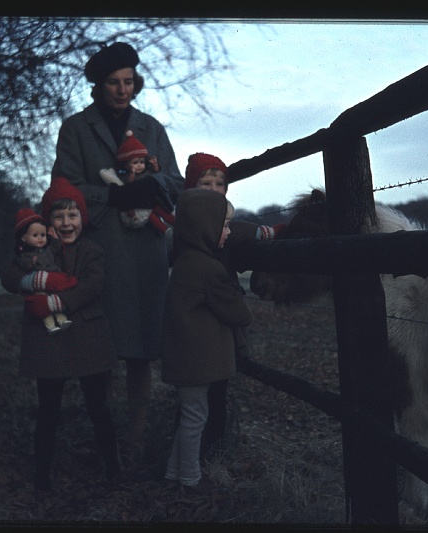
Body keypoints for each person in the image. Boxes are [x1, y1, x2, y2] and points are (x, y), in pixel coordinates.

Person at [52, 41, 185, 467]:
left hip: (147, 253)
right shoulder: (76, 129)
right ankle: (105, 445)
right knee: (101, 350)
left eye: (129, 81)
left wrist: (152, 187)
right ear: (97, 85)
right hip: (101, 252)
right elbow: (64, 186)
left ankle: (136, 441)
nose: (123, 89)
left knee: (142, 350)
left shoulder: (152, 127)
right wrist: (111, 195)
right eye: (113, 82)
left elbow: (176, 181)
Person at [1, 177, 121, 491]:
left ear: (82, 217)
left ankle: (114, 469)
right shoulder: (33, 248)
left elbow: (93, 285)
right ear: (46, 221)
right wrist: (32, 281)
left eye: (72, 215)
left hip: (87, 335)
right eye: (58, 216)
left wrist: (57, 301)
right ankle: (42, 476)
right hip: (49, 339)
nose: (66, 223)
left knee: (98, 407)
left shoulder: (91, 250)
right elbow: (9, 276)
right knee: (48, 410)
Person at [181, 153, 286, 461]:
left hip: (216, 327)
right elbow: (237, 231)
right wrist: (266, 232)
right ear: (191, 188)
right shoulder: (191, 227)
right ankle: (197, 463)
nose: (214, 190)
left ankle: (203, 458)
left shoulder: (223, 226)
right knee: (199, 398)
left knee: (215, 393)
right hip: (203, 322)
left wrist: (272, 233)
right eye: (206, 183)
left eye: (220, 184)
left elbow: (239, 230)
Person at [160, 188, 254, 494]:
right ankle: (190, 479)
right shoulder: (208, 268)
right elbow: (240, 313)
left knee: (190, 414)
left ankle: (173, 473)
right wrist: (238, 297)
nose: (228, 232)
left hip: (186, 358)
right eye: (223, 225)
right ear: (205, 228)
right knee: (195, 417)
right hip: (197, 361)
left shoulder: (185, 261)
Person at [99, 132, 175, 234]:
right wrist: (132, 173)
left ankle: (176, 223)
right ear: (126, 165)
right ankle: (165, 230)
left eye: (141, 162)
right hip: (140, 206)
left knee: (162, 210)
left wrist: (155, 165)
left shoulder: (146, 172)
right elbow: (129, 184)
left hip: (152, 200)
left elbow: (156, 174)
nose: (139, 165)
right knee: (151, 216)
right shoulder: (126, 175)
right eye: (135, 163)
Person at [13, 207, 73, 334]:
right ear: (24, 238)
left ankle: (62, 320)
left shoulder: (47, 249)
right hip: (39, 287)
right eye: (35, 235)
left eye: (43, 235)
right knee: (43, 306)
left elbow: (57, 248)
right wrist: (31, 263)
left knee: (56, 302)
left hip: (54, 278)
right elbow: (22, 264)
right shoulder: (25, 255)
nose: (40, 238)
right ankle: (50, 325)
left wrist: (54, 238)